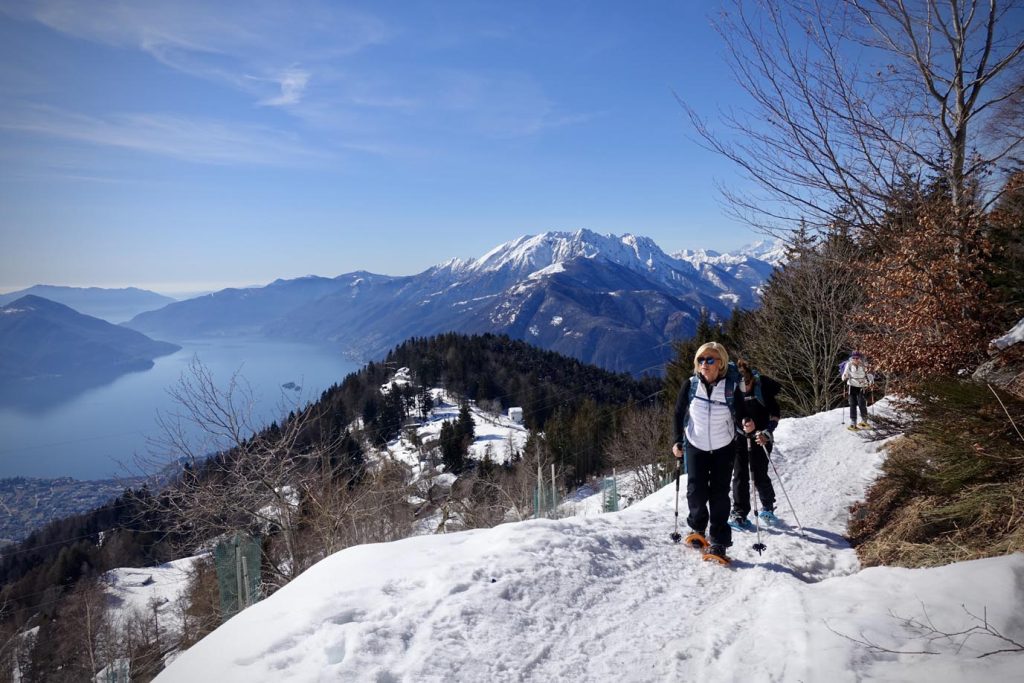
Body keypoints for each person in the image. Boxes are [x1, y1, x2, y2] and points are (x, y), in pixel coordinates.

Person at [672, 341, 738, 560]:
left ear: (721, 363)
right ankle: (698, 530)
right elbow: (678, 413)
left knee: (719, 494)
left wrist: (747, 422)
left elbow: (742, 412)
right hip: (695, 444)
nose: (705, 364)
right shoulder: (690, 385)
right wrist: (677, 440)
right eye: (701, 359)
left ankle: (719, 541)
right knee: (696, 491)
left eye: (710, 360)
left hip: (723, 446)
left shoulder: (730, 387)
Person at [730, 359, 781, 528]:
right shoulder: (734, 391)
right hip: (740, 437)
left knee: (759, 473)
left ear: (752, 379)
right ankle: (739, 513)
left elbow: (775, 414)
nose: (744, 387)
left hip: (761, 437)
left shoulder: (762, 389)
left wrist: (767, 432)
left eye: (747, 383)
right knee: (740, 475)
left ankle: (767, 507)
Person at [842, 352, 874, 429]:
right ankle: (853, 422)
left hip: (862, 386)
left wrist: (871, 382)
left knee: (862, 403)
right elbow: (845, 373)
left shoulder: (864, 365)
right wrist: (844, 377)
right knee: (852, 404)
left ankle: (864, 421)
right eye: (854, 358)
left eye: (857, 358)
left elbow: (870, 375)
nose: (855, 359)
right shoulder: (849, 364)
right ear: (851, 358)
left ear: (860, 358)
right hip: (852, 385)